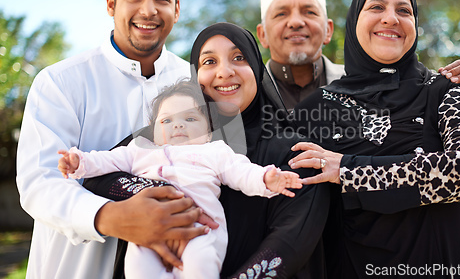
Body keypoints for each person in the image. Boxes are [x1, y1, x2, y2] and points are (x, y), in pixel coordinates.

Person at [289, 0, 460, 278]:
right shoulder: (313, 110)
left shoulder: (447, 89)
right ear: (353, 21)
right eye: (376, 7)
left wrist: (350, 171)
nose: (390, 18)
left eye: (404, 11)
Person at [15, 0, 207, 279]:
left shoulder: (196, 84)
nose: (148, 10)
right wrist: (112, 217)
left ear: (176, 9)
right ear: (111, 4)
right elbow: (40, 182)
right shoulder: (61, 82)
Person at [84, 22, 330, 278]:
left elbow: (291, 242)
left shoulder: (295, 152)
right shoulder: (164, 137)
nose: (224, 72)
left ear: (256, 68)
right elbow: (96, 176)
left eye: (238, 57)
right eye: (209, 62)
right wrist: (166, 200)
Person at [57, 80, 302, 279]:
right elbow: (106, 161)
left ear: (208, 129)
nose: (178, 126)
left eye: (190, 118)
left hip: (200, 231)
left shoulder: (215, 151)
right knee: (138, 268)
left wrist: (267, 178)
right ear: (153, 130)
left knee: (201, 265)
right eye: (167, 120)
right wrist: (79, 162)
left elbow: (241, 172)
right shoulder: (139, 150)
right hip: (148, 229)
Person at [256, 0, 460, 110]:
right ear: (262, 35)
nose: (296, 22)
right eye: (281, 14)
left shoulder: (372, 84)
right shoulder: (236, 94)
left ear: (329, 30)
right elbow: (224, 167)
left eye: (309, 12)